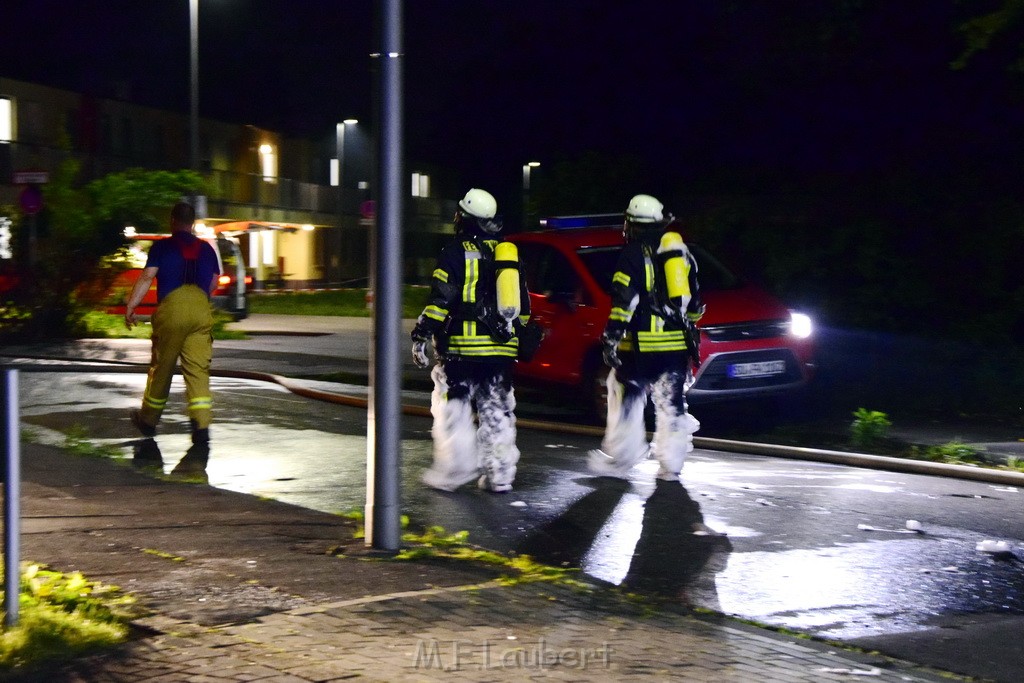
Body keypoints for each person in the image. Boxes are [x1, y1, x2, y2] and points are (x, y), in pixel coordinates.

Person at [411, 188, 531, 493]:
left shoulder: (454, 252)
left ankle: (454, 470)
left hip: (462, 352)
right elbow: (524, 307)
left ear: (466, 219)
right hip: (501, 352)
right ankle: (500, 477)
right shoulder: (507, 254)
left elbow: (441, 301)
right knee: (497, 413)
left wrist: (421, 334)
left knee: (455, 410)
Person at [588, 194, 704, 481]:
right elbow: (696, 306)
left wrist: (611, 339)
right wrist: (687, 332)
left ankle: (622, 458)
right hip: (676, 346)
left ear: (634, 225)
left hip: (639, 347)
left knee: (625, 396)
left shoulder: (630, 255)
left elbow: (624, 303)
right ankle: (671, 466)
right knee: (672, 405)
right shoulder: (681, 254)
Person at [125, 201, 220, 446]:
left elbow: (147, 276)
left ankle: (148, 420)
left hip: (173, 308)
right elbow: (214, 281)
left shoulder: (162, 248)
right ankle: (201, 426)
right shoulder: (207, 249)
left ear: (172, 221)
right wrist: (199, 299)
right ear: (193, 223)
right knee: (198, 371)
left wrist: (131, 306)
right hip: (201, 309)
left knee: (163, 367)